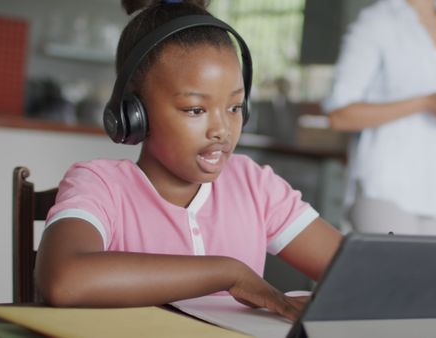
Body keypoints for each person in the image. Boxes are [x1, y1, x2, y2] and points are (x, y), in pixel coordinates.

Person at [35, 0, 342, 321]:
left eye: (235, 108)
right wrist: (228, 273)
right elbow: (63, 281)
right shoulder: (100, 185)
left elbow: (358, 271)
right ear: (133, 113)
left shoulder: (254, 185)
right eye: (195, 110)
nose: (222, 130)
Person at [323, 0, 436, 236]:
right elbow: (339, 116)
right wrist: (426, 103)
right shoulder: (376, 22)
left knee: (434, 274)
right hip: (384, 188)